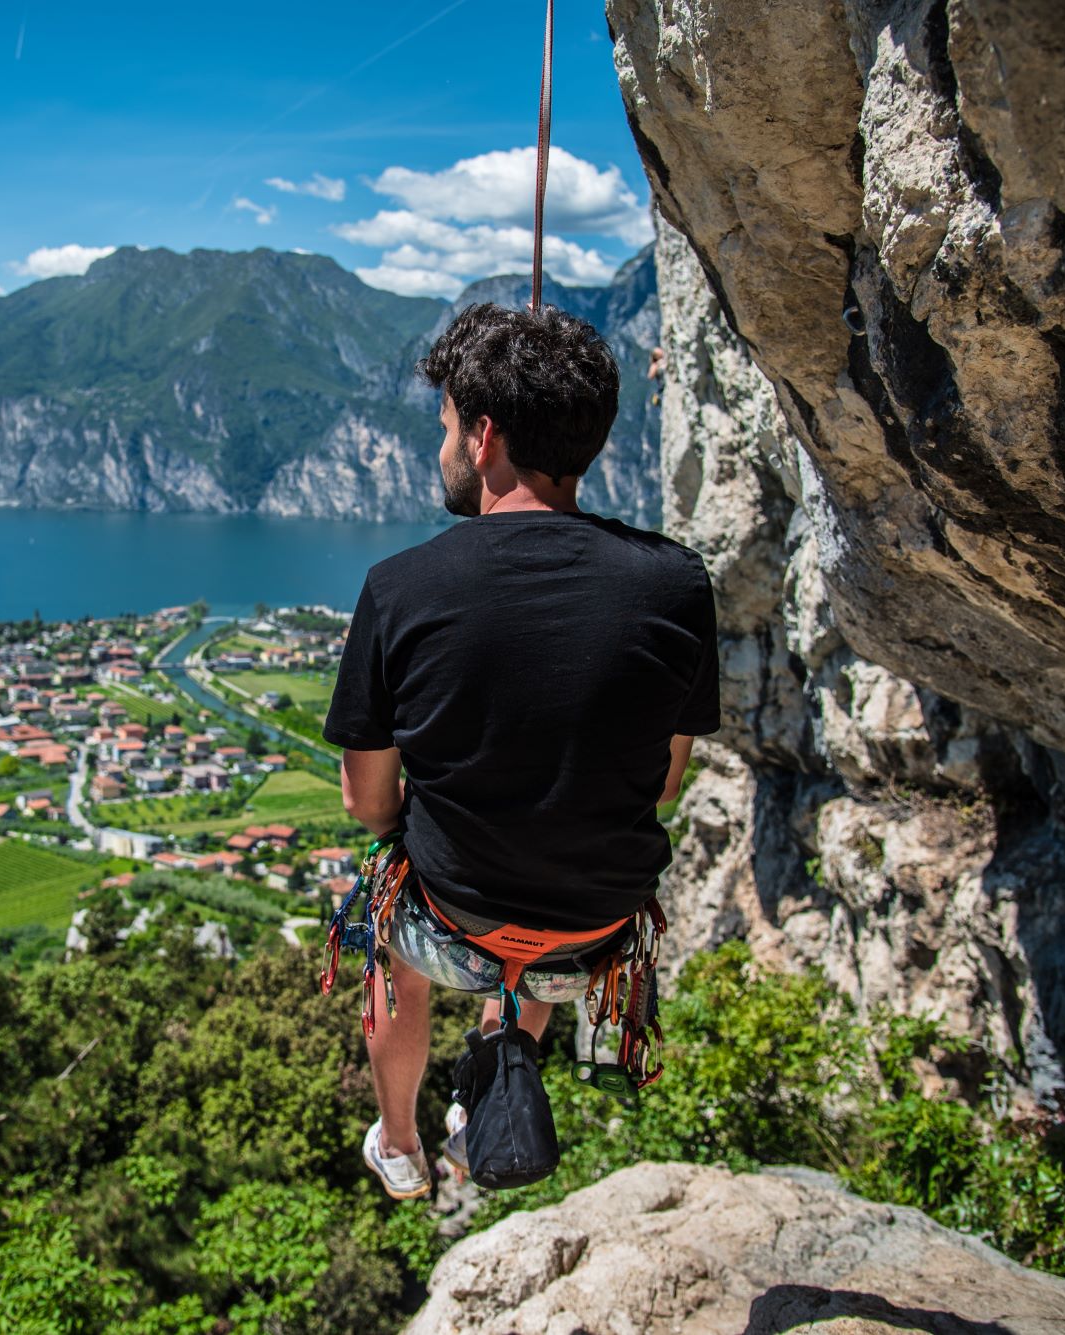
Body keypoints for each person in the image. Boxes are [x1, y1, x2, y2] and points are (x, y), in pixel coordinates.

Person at [323, 303, 719, 1200]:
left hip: (457, 933)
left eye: (447, 428)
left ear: (485, 435)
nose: (443, 449)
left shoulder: (401, 588)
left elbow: (369, 803)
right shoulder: (677, 584)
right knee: (555, 855)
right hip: (593, 939)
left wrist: (433, 824)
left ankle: (399, 1138)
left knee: (388, 915)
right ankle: (503, 1065)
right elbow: (661, 782)